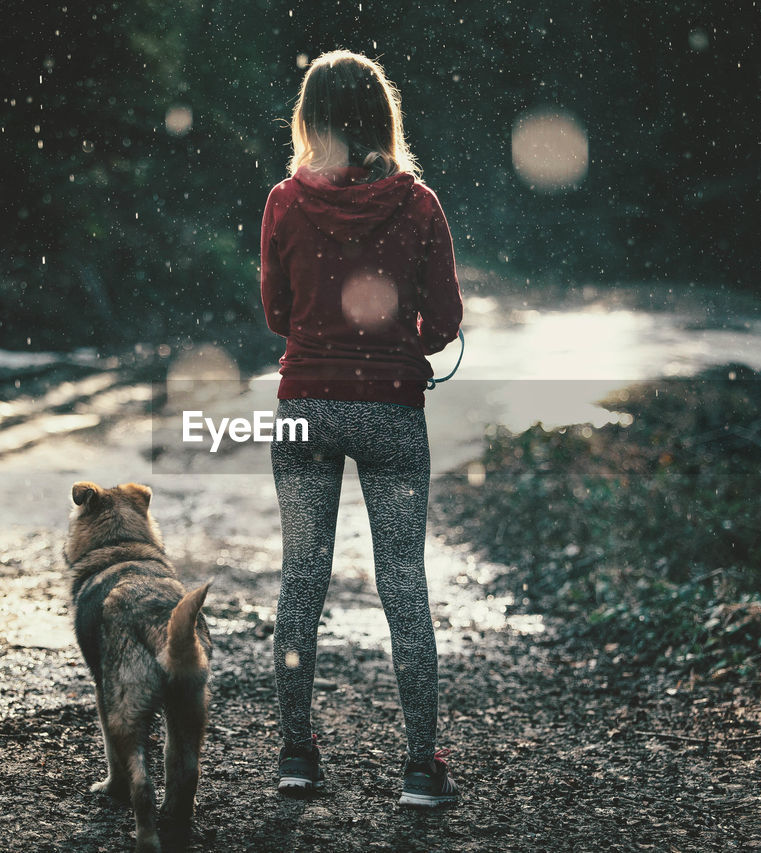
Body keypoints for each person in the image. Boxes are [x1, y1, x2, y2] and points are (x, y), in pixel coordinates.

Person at [259, 49, 463, 808]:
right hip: (391, 412)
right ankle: (419, 768)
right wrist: (399, 340)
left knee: (301, 581)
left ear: (310, 120)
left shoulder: (284, 200)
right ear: (382, 118)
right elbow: (443, 321)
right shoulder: (418, 205)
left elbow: (278, 313)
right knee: (403, 584)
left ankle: (296, 756)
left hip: (306, 404)